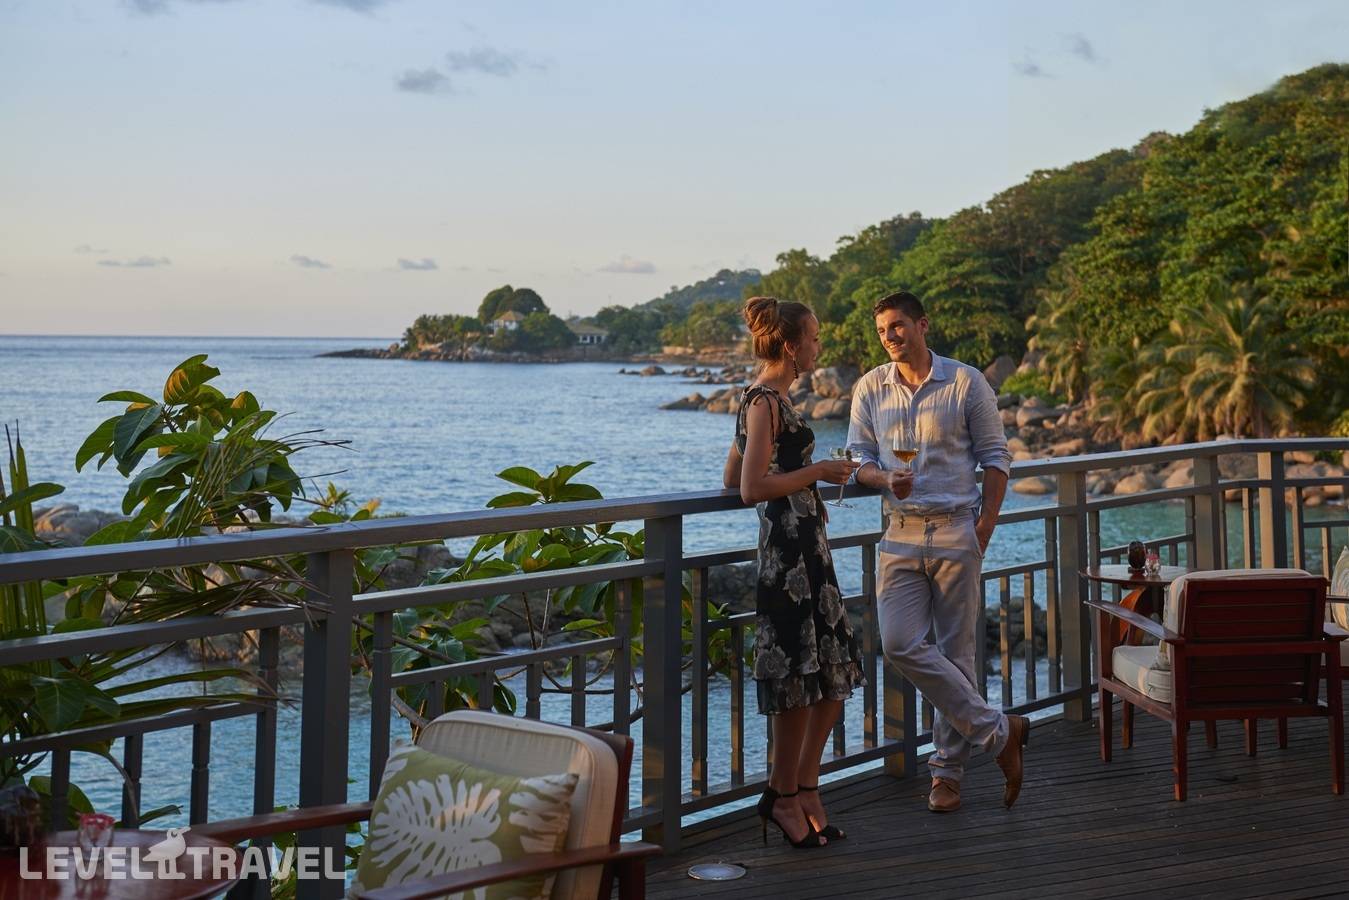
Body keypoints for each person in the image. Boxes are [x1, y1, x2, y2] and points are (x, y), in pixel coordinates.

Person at [846, 289, 1028, 813]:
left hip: (955, 530)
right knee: (898, 643)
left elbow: (996, 458)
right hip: (899, 531)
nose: (889, 337)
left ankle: (946, 774)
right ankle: (999, 731)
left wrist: (984, 528)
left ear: (922, 325)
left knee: (956, 654)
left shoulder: (966, 381)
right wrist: (882, 478)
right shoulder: (870, 387)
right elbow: (858, 456)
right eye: (882, 330)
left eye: (898, 326)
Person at [723, 296, 865, 848]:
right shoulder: (763, 401)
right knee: (798, 678)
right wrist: (817, 472)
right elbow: (748, 487)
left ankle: (804, 787)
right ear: (790, 344)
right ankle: (785, 796)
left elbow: (734, 473)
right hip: (786, 559)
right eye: (814, 337)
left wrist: (808, 484)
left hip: (810, 550)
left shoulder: (772, 399)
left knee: (831, 671)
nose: (818, 346)